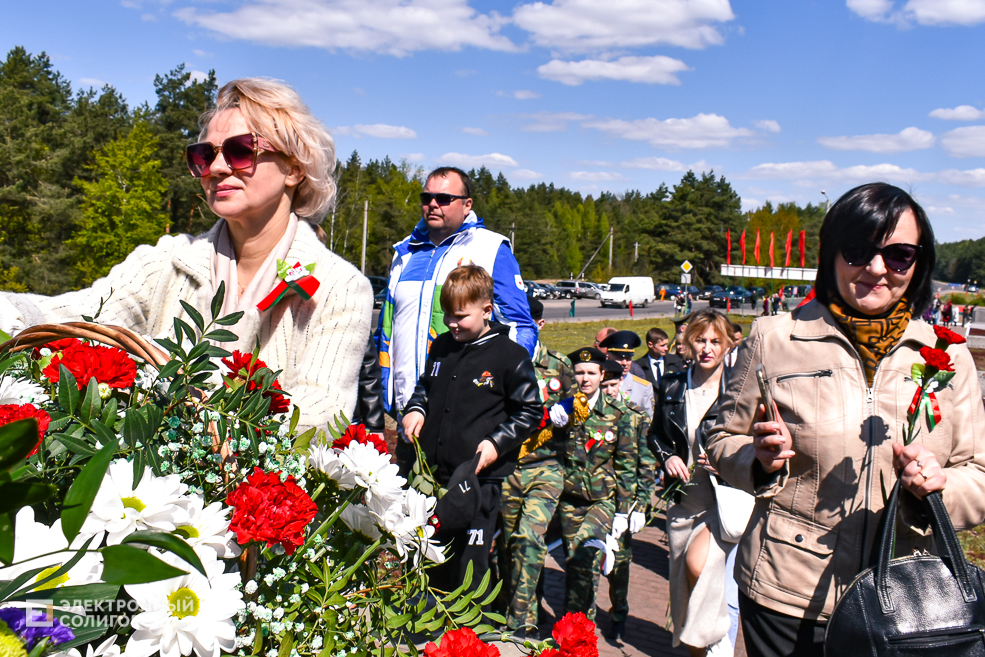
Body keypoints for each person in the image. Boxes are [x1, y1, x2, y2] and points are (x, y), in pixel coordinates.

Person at [707, 182, 985, 657]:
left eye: (898, 255)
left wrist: (937, 487)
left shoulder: (947, 354)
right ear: (831, 254)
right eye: (858, 251)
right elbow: (718, 436)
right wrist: (758, 459)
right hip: (788, 594)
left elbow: (978, 474)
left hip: (908, 600)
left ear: (919, 262)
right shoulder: (774, 338)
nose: (876, 269)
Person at [0, 78, 372, 432]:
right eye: (203, 155)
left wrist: (199, 425)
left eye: (241, 150)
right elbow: (78, 314)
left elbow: (320, 415)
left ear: (293, 167)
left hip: (262, 491)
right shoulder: (165, 263)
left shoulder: (339, 288)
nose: (217, 168)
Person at [402, 264, 542, 592]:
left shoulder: (510, 355)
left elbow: (531, 410)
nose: (452, 323)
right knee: (428, 559)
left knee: (468, 568)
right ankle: (424, 630)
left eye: (461, 316)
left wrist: (496, 443)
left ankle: (465, 636)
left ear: (487, 310)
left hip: (478, 481)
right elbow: (426, 386)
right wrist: (417, 408)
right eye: (447, 315)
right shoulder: (442, 347)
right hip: (434, 477)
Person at [377, 166, 537, 419]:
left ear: (467, 204)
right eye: (426, 197)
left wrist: (496, 385)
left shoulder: (491, 248)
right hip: (408, 408)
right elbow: (386, 329)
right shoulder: (405, 253)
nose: (432, 204)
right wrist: (384, 388)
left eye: (443, 198)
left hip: (468, 409)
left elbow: (520, 328)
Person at [648, 310, 737, 657]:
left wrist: (724, 459)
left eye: (715, 341)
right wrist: (667, 457)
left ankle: (720, 644)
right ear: (688, 341)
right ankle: (703, 651)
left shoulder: (737, 392)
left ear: (728, 345)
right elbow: (655, 435)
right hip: (683, 502)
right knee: (684, 592)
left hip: (723, 501)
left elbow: (748, 445)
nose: (707, 348)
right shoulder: (672, 385)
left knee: (699, 565)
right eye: (701, 340)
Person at [499, 297, 574, 636]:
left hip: (545, 467)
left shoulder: (557, 366)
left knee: (529, 538)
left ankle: (521, 625)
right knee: (509, 546)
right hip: (508, 467)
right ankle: (519, 605)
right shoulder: (499, 361)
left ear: (539, 325)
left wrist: (568, 418)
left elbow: (581, 412)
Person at [549, 347, 637, 621]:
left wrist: (624, 510)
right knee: (575, 565)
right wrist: (552, 426)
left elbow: (626, 464)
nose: (585, 378)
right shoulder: (564, 410)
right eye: (579, 373)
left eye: (591, 373)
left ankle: (577, 627)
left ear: (602, 375)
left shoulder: (618, 414)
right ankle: (576, 628)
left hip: (602, 500)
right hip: (570, 500)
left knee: (584, 557)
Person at [599, 359, 656, 642]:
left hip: (622, 504)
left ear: (621, 384)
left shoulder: (635, 417)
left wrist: (642, 505)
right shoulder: (588, 414)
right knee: (585, 562)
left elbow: (646, 465)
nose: (608, 391)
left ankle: (618, 613)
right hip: (593, 501)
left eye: (613, 385)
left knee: (619, 565)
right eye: (604, 385)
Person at [599, 330, 654, 417]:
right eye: (619, 358)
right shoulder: (598, 382)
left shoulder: (642, 387)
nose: (625, 363)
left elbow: (648, 420)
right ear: (608, 357)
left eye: (628, 358)